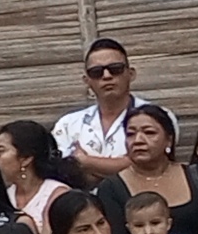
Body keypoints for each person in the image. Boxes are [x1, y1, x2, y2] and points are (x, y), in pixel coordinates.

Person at [53, 39, 156, 184]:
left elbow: (150, 164)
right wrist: (120, 166)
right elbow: (62, 171)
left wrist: (85, 161)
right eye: (96, 72)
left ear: (131, 74)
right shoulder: (68, 124)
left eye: (115, 69)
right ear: (87, 80)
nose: (107, 76)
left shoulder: (156, 118)